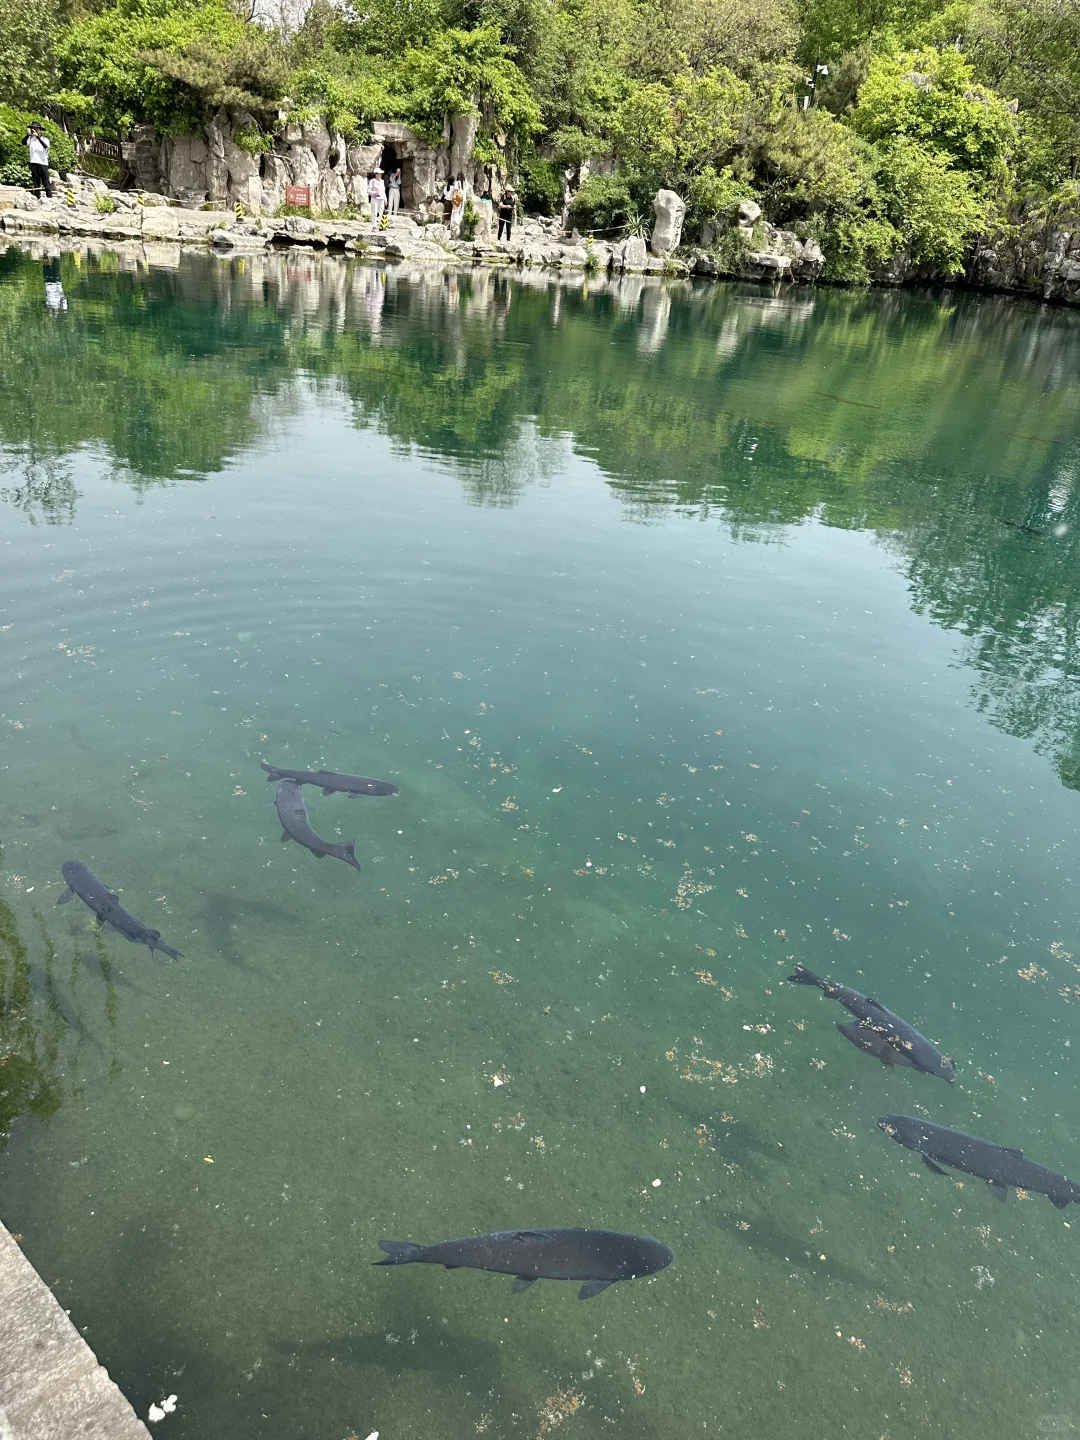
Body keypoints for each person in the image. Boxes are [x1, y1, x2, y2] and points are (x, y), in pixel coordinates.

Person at [26, 121, 52, 201]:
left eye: (36, 129)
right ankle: (37, 198)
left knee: (45, 181)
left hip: (42, 163)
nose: (34, 130)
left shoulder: (45, 139)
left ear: (40, 130)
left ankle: (49, 197)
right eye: (33, 128)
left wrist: (38, 137)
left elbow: (45, 146)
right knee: (36, 181)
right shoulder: (31, 139)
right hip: (33, 162)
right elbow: (23, 142)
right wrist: (28, 135)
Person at [449, 172, 467, 237]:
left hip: (458, 200)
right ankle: (459, 229)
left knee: (455, 214)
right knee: (461, 214)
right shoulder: (465, 183)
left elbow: (455, 192)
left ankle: (454, 230)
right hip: (463, 200)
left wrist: (453, 199)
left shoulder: (457, 183)